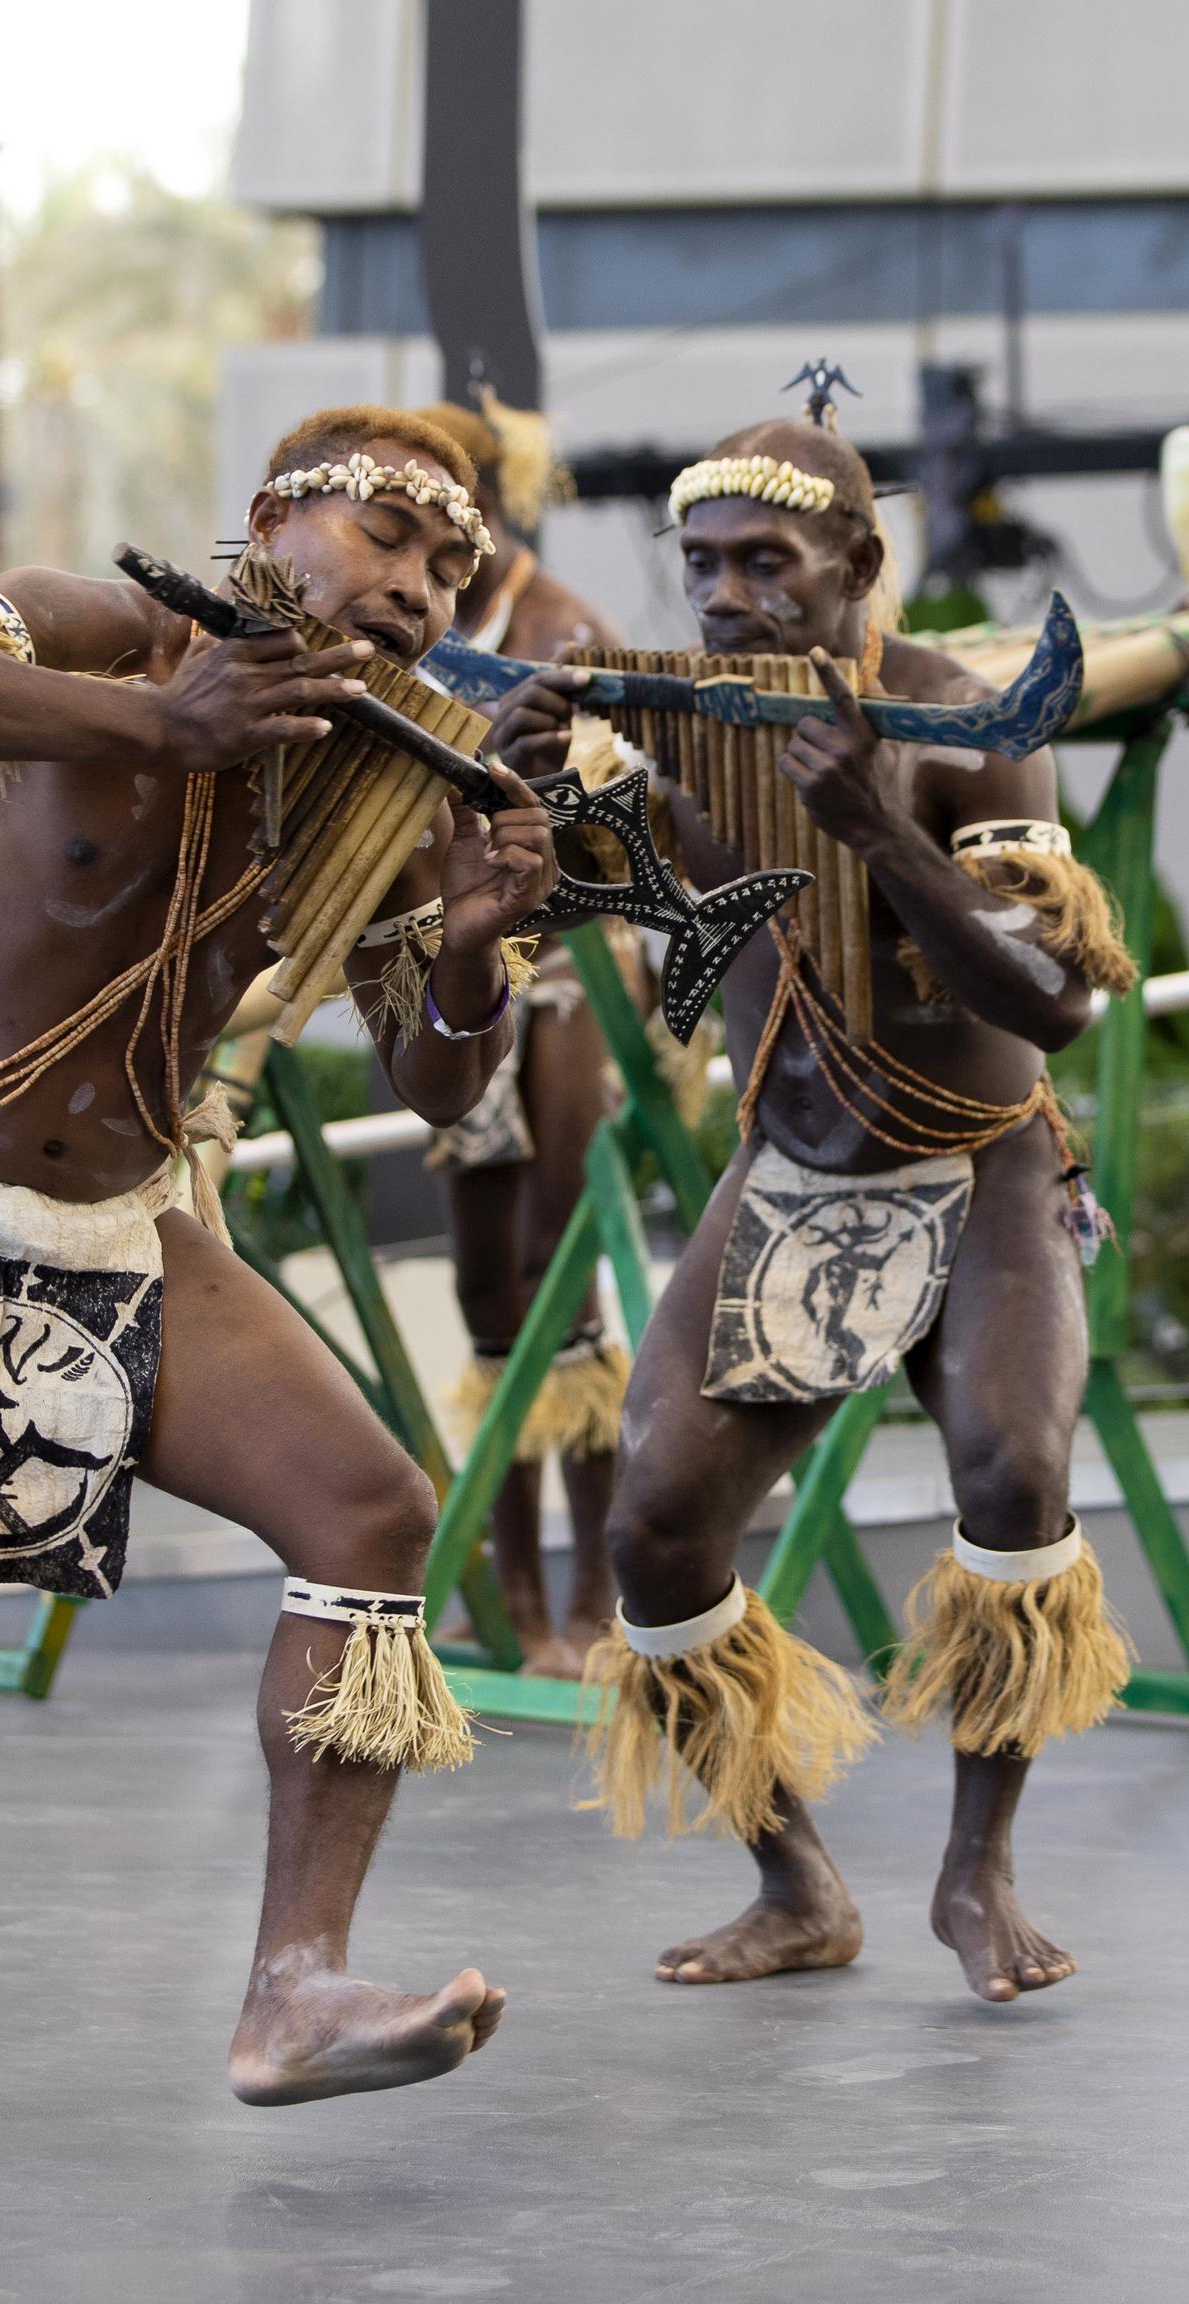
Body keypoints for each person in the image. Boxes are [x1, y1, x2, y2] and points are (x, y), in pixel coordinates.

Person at [0, 403, 563, 2136]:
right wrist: (158, 718)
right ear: (272, 516)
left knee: (369, 1515)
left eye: (452, 566)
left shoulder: (377, 781)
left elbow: (439, 1087)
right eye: (389, 537)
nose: (419, 588)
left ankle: (296, 1990)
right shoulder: (111, 625)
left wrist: (475, 956)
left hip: (120, 1219)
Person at [487, 392, 1142, 2003]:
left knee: (1014, 1472)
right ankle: (796, 1884)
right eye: (699, 562)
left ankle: (975, 1873)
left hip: (979, 1155)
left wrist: (874, 833)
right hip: (798, 1163)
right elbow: (597, 900)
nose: (722, 596)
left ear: (858, 564)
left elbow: (1057, 1003)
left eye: (764, 561)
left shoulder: (967, 728)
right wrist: (499, 786)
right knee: (654, 1527)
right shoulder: (685, 730)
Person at [413, 391, 629, 1678]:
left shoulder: (564, 632)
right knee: (483, 1284)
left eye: (455, 517)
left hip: (569, 971)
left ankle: (598, 1595)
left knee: (563, 1268)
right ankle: (512, 1597)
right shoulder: (415, 626)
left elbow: (617, 841)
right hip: (458, 966)